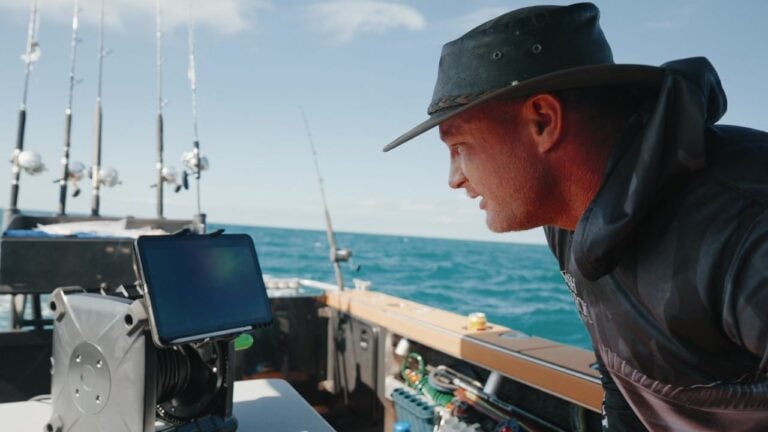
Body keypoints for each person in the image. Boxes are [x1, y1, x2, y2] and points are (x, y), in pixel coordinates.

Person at [383, 3, 768, 431]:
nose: (455, 179)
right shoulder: (570, 222)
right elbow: (621, 376)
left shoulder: (745, 227)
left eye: (459, 147)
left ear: (543, 120)